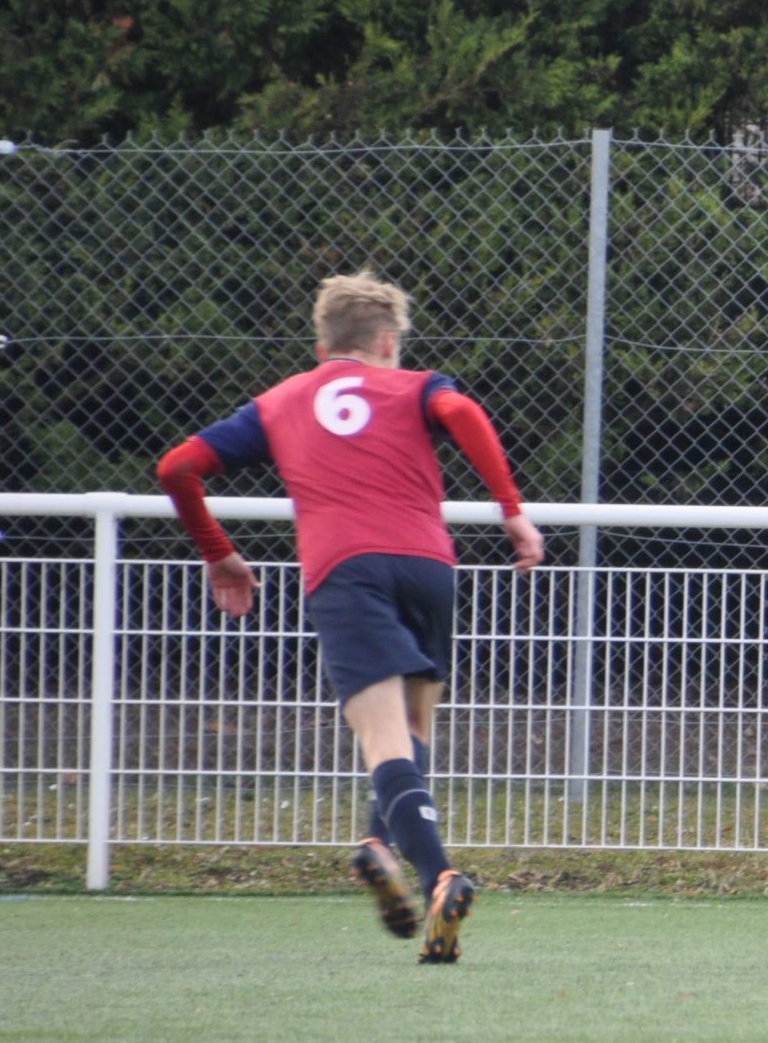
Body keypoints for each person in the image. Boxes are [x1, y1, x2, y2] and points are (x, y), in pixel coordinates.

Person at [156, 271, 542, 964]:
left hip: (345, 570)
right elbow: (465, 416)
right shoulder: (418, 384)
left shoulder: (278, 403)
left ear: (322, 341)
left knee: (382, 736)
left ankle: (440, 875)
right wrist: (511, 510)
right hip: (428, 566)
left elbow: (177, 468)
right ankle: (375, 845)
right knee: (416, 726)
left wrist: (220, 555)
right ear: (388, 343)